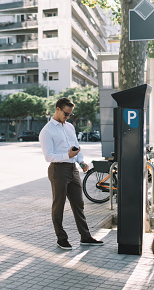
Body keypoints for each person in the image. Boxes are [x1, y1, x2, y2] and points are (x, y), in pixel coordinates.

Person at [39, 97, 104, 250]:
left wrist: (81, 161)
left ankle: (85, 237)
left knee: (78, 204)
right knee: (59, 205)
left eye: (70, 114)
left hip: (72, 169)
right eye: (66, 114)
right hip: (57, 169)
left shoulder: (69, 127)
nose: (67, 117)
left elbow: (75, 146)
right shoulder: (47, 131)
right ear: (57, 109)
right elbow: (48, 156)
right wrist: (66, 156)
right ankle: (61, 238)